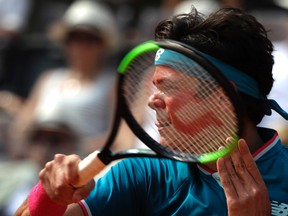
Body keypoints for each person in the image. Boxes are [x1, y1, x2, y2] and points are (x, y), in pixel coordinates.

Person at [16, 7, 288, 216]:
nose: (151, 101)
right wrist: (50, 197)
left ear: (222, 95)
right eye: (152, 87)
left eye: (166, 87)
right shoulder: (143, 172)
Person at [7, 0, 119, 159]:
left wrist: (75, 148)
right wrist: (10, 104)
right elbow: (24, 124)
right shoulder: (48, 78)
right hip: (37, 165)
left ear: (103, 44)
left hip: (82, 168)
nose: (80, 45)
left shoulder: (111, 83)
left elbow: (120, 136)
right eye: (74, 37)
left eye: (89, 38)